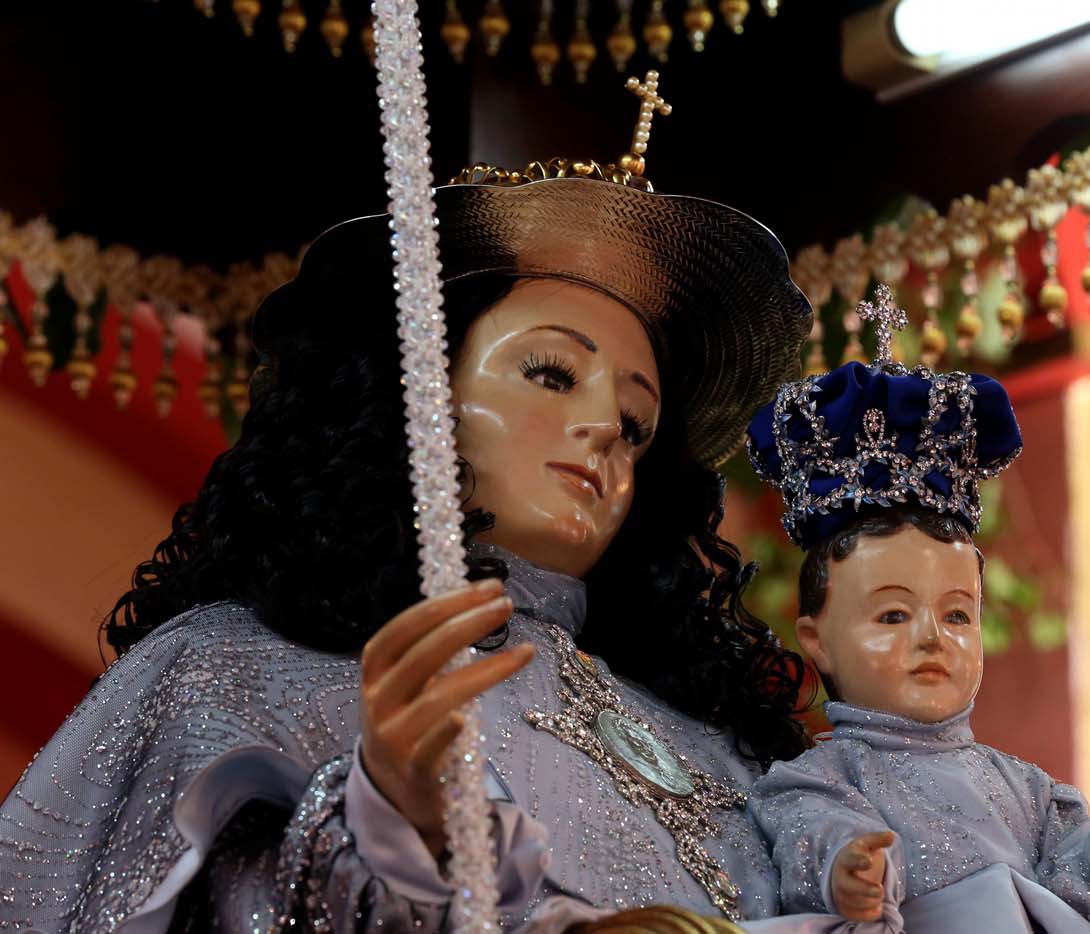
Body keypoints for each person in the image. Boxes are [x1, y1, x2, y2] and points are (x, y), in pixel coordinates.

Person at [0, 142, 813, 930]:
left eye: (637, 423)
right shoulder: (228, 673)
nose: (603, 426)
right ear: (416, 389)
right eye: (552, 374)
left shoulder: (718, 751)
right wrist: (387, 833)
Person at [741, 287, 1090, 934]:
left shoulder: (1026, 790)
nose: (931, 638)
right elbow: (813, 834)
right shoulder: (826, 778)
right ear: (816, 638)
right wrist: (847, 870)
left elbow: (1073, 893)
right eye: (891, 616)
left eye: (957, 615)